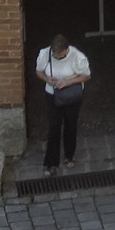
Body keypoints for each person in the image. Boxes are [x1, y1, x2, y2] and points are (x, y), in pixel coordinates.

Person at [35, 30, 91, 174]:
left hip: (71, 96)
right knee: (54, 127)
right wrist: (47, 79)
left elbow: (86, 76)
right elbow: (39, 71)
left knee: (70, 125)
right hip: (52, 95)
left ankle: (69, 155)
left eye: (59, 55)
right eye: (55, 55)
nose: (57, 57)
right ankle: (51, 162)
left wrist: (68, 81)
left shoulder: (77, 57)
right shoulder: (45, 54)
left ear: (67, 49)